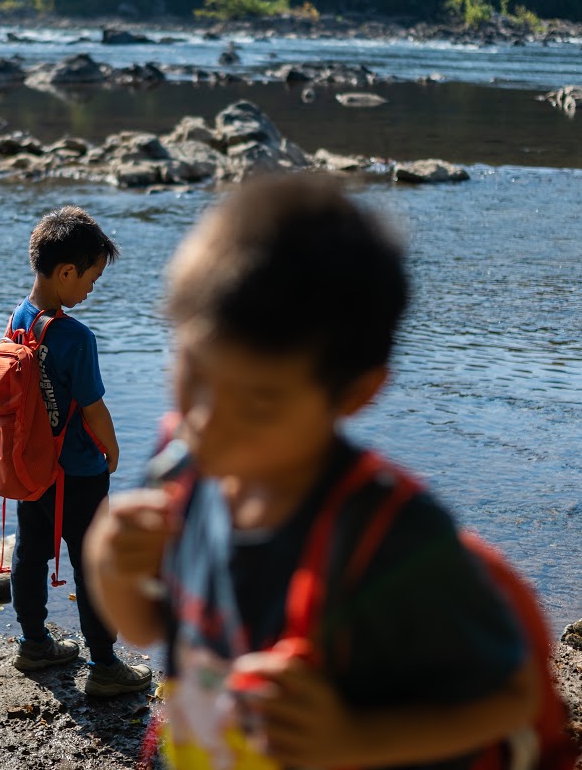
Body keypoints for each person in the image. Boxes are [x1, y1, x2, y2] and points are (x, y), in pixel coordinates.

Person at [85, 176, 540, 769]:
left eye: (259, 403)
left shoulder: (393, 536)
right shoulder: (180, 463)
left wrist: (353, 741)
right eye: (192, 371)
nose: (208, 419)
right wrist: (109, 562)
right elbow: (146, 624)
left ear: (356, 393)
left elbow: (513, 696)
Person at [8, 205, 153, 697]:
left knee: (30, 551)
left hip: (32, 467)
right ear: (66, 271)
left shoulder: (19, 318)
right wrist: (112, 450)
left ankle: (33, 643)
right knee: (93, 562)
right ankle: (106, 666)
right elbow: (93, 410)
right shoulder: (76, 337)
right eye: (90, 279)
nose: (91, 289)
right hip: (80, 473)